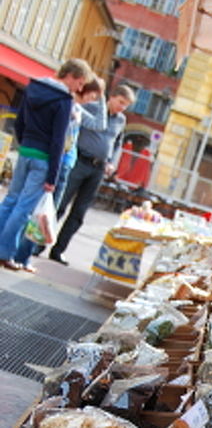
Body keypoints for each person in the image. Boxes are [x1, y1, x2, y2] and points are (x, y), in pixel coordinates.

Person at [0, 57, 91, 270]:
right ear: (71, 77)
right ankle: (5, 253)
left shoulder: (34, 87)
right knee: (24, 207)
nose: (79, 88)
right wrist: (52, 176)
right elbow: (59, 139)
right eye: (79, 83)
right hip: (43, 157)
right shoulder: (63, 100)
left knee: (10, 200)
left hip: (26, 150)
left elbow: (20, 121)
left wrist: (24, 142)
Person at [19, 76, 105, 268]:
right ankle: (24, 254)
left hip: (65, 162)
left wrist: (103, 98)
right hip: (61, 162)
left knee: (43, 211)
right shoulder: (70, 105)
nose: (95, 99)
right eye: (93, 94)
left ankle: (25, 254)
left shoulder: (76, 107)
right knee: (41, 212)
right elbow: (60, 139)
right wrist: (53, 173)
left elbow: (99, 124)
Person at [48, 83, 135, 265]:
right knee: (60, 204)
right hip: (80, 160)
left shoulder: (121, 120)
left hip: (98, 168)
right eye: (120, 102)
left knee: (79, 212)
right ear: (111, 97)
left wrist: (112, 161)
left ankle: (59, 250)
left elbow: (117, 142)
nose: (122, 107)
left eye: (126, 105)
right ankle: (39, 244)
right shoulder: (91, 108)